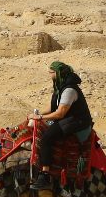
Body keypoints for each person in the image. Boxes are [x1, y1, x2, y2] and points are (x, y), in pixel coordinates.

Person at [32, 61, 93, 189]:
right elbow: (53, 107)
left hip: (77, 121)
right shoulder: (61, 87)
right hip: (68, 118)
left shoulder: (69, 90)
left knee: (47, 138)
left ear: (59, 73)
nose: (49, 74)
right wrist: (36, 114)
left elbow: (60, 113)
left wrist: (41, 117)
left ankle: (45, 175)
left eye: (51, 72)